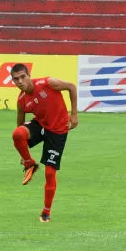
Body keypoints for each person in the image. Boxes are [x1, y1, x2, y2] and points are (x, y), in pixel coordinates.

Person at [11, 63, 79, 223]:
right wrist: (24, 151)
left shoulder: (48, 83)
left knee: (50, 173)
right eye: (16, 79)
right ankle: (30, 164)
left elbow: (71, 87)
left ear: (29, 75)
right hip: (41, 125)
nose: (20, 81)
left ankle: (46, 211)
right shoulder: (22, 100)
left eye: (22, 77)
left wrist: (74, 114)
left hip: (58, 130)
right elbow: (20, 125)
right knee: (17, 133)